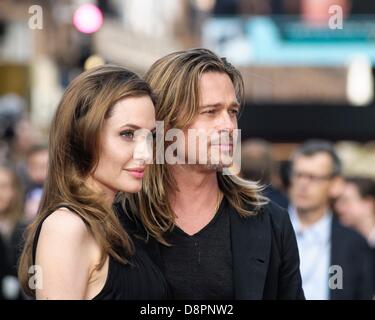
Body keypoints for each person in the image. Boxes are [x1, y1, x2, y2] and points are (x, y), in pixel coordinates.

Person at [120, 48, 304, 299]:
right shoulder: (118, 221)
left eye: (232, 111)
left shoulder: (271, 222)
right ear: (164, 121)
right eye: (210, 112)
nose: (228, 126)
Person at [18, 65, 171, 300]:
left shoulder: (120, 222)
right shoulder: (67, 228)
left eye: (149, 136)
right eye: (128, 134)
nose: (146, 154)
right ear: (82, 136)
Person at [288, 140, 374, 300]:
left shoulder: (354, 244)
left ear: (336, 184)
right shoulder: (268, 231)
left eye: (313, 177)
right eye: (298, 175)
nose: (303, 184)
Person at [334, 176, 375, 297]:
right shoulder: (342, 245)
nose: (338, 208)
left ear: (368, 204)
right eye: (337, 202)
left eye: (346, 201)